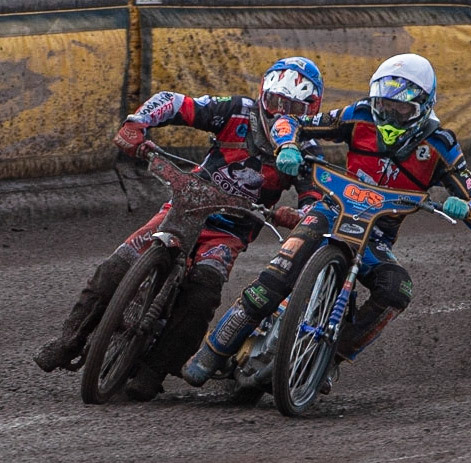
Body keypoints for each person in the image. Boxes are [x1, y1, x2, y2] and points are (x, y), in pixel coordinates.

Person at [183, 53, 471, 392]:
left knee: (397, 289)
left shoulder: (441, 145)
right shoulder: (358, 115)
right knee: (273, 281)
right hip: (330, 212)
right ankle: (212, 352)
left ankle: (331, 358)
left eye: (400, 109)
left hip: (375, 238)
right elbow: (291, 122)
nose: (388, 114)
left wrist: (465, 208)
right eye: (383, 105)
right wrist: (287, 145)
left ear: (422, 107)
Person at [34, 56, 325, 401]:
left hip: (229, 231)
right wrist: (137, 123)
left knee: (203, 291)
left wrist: (302, 214)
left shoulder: (305, 150)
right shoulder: (235, 111)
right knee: (117, 264)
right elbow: (176, 103)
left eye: (292, 107)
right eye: (276, 102)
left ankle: (156, 369)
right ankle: (69, 342)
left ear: (310, 111)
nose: (280, 113)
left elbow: (316, 197)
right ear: (264, 94)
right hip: (184, 206)